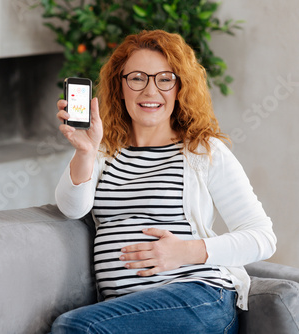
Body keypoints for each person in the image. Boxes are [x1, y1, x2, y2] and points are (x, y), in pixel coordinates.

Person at [52, 30, 276, 334]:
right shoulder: (104, 151)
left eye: (164, 79)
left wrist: (186, 252)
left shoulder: (202, 151)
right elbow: (71, 208)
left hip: (199, 297)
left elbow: (262, 237)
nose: (150, 90)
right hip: (128, 309)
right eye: (137, 78)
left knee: (74, 327)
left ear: (179, 87)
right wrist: (86, 150)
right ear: (120, 87)